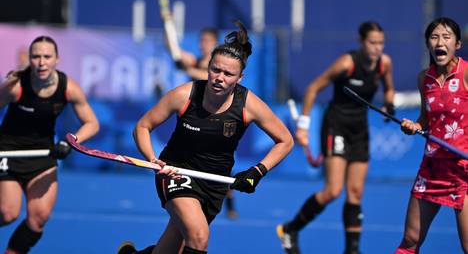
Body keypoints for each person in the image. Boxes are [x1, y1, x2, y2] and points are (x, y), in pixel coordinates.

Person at [117, 20, 294, 254]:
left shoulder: (249, 104)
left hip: (215, 181)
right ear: (208, 67)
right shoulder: (184, 95)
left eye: (228, 74)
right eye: (215, 70)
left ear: (240, 78)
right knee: (199, 237)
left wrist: (257, 171)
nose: (220, 78)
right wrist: (152, 159)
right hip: (176, 171)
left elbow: (285, 141)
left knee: (172, 248)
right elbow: (142, 126)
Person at [277, 21, 395, 254]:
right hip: (336, 125)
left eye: (381, 43)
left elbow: (389, 88)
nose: (377, 48)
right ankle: (291, 229)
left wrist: (390, 105)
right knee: (333, 190)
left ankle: (352, 250)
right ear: (362, 43)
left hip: (359, 128)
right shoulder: (347, 63)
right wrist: (303, 126)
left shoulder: (384, 64)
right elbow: (313, 88)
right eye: (372, 43)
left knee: (356, 192)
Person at [0, 36, 100, 254]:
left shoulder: (69, 88)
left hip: (43, 154)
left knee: (39, 217)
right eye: (36, 57)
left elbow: (92, 124)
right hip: (8, 152)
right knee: (7, 214)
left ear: (57, 59)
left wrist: (70, 141)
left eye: (47, 56)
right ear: (30, 59)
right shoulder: (15, 87)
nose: (41, 62)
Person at [396, 17, 468, 254]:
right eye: (435, 37)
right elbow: (426, 119)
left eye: (446, 37)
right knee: (410, 240)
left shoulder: (466, 73)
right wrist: (414, 126)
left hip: (463, 170)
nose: (440, 42)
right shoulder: (423, 79)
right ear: (428, 43)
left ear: (457, 44)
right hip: (432, 167)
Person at [173, 27, 239, 219]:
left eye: (207, 41)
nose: (203, 44)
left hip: (218, 118)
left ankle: (230, 204)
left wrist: (187, 69)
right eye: (201, 40)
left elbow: (205, 77)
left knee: (219, 165)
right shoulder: (197, 60)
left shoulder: (219, 65)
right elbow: (176, 52)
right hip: (195, 116)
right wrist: (167, 29)